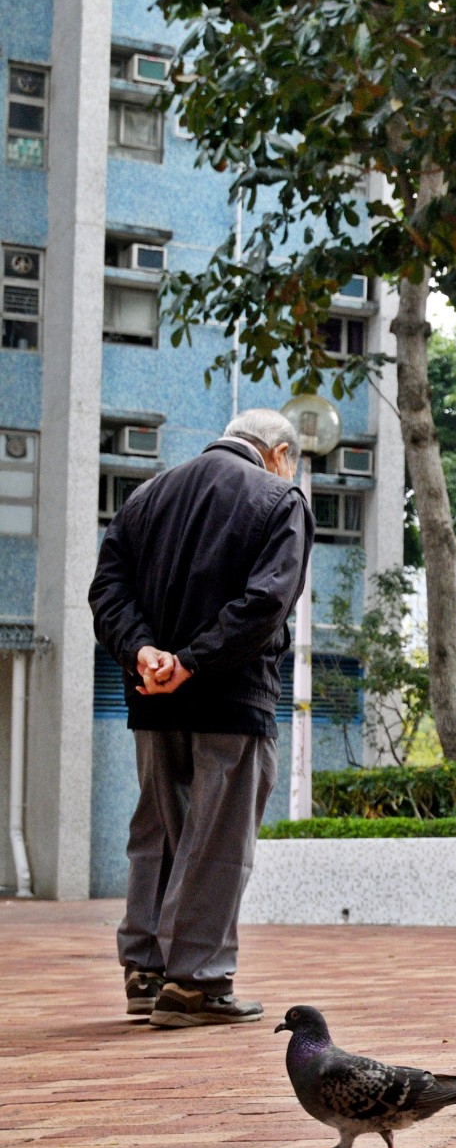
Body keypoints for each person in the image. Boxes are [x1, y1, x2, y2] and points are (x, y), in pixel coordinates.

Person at [89, 410, 314, 1028]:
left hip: (151, 697)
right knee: (218, 841)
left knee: (158, 831)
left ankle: (146, 973)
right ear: (280, 452)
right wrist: (193, 663)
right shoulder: (280, 499)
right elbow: (267, 603)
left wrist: (144, 653)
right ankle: (195, 984)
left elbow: (107, 592)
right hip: (231, 701)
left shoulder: (145, 497)